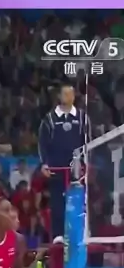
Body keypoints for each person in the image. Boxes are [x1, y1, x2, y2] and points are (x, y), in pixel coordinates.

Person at [38, 83, 89, 243]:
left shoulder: (82, 117)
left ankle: (79, 233)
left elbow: (88, 141)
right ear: (59, 96)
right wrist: (44, 164)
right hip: (56, 167)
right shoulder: (49, 119)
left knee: (78, 200)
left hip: (76, 167)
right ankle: (58, 235)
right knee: (57, 202)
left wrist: (86, 162)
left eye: (71, 94)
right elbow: (42, 143)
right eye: (65, 94)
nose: (68, 97)